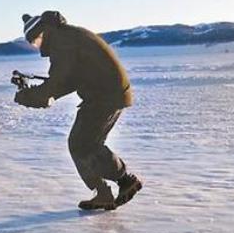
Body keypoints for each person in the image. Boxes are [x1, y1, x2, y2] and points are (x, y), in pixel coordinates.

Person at [13, 11, 142, 210]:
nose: (37, 46)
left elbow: (59, 80)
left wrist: (31, 96)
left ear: (43, 32)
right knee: (85, 144)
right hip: (108, 93)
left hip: (105, 95)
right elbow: (69, 80)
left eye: (36, 41)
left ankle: (121, 183)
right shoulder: (66, 36)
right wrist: (44, 96)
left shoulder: (63, 42)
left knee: (81, 144)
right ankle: (109, 189)